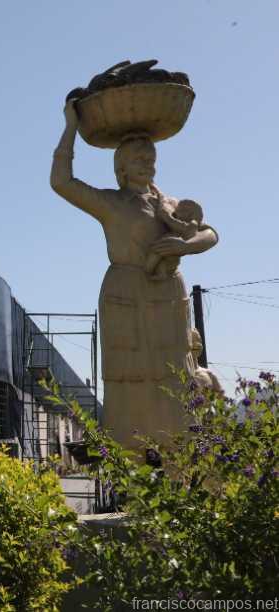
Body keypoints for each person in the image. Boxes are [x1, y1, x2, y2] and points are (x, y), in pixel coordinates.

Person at [50, 100, 219, 450]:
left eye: (152, 160)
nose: (149, 166)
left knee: (175, 373)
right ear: (121, 168)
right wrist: (70, 126)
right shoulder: (111, 203)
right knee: (128, 375)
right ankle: (132, 458)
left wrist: (181, 247)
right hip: (124, 291)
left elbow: (210, 234)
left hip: (168, 293)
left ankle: (182, 455)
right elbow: (61, 181)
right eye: (140, 160)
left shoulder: (169, 204)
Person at [145, 198, 204, 279]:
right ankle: (157, 272)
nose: (177, 212)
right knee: (161, 260)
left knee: (156, 252)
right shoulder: (179, 220)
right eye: (178, 210)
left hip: (175, 244)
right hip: (170, 243)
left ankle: (147, 271)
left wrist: (166, 217)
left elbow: (181, 228)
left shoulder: (193, 224)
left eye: (182, 210)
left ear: (191, 213)